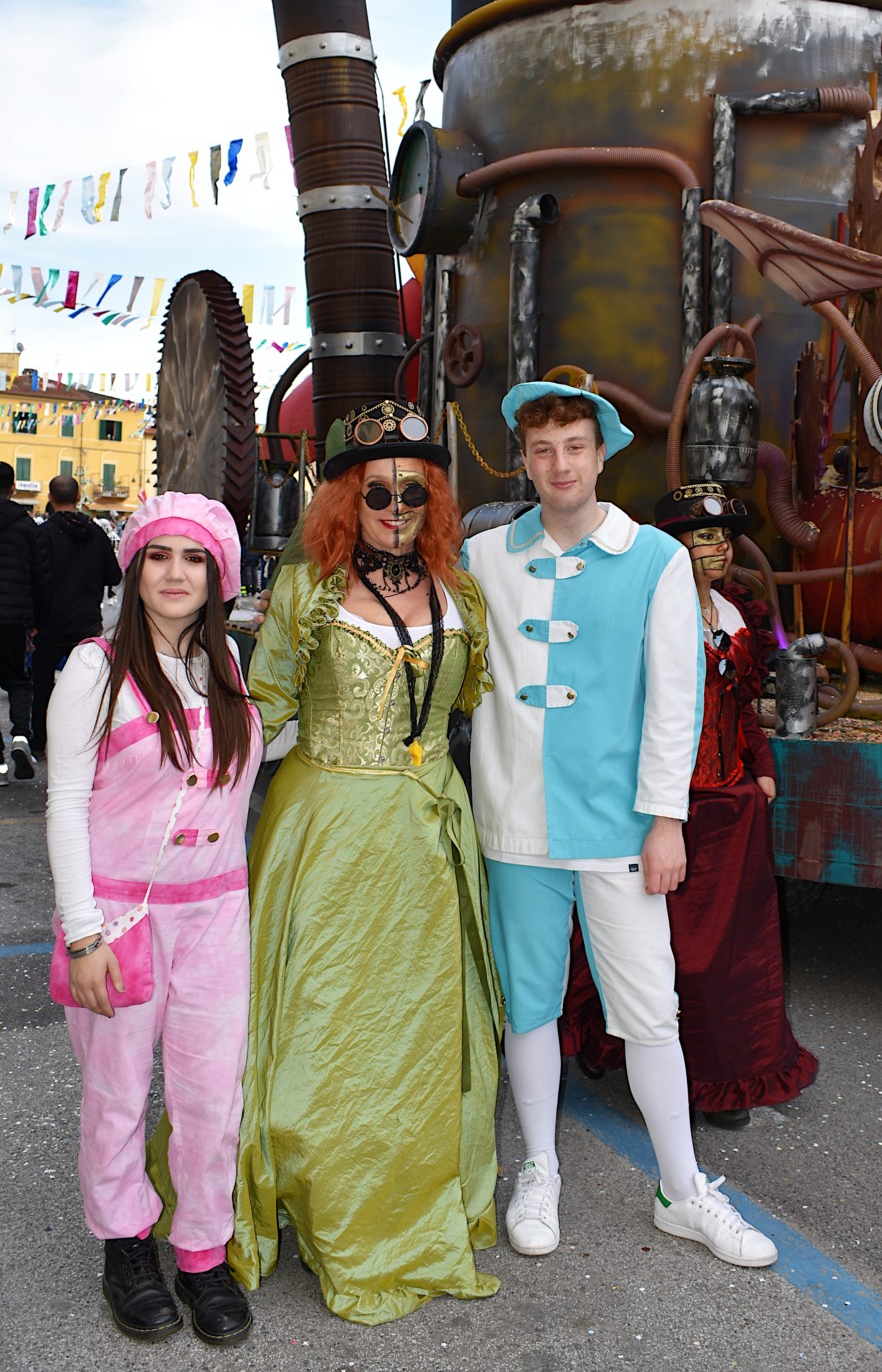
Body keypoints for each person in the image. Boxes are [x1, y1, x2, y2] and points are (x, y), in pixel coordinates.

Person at [461, 383, 778, 1269]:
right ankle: (539, 1168)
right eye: (542, 450)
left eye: (574, 446)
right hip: (514, 822)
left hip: (621, 828)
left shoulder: (655, 559)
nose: (558, 464)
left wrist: (666, 820)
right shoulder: (483, 557)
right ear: (524, 462)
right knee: (529, 1003)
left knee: (648, 1009)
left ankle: (683, 1189)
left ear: (602, 455)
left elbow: (677, 699)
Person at [229, 398, 502, 1324]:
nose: (396, 510)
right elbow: (259, 710)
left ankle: (410, 1204)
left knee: (417, 1030)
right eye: (378, 493)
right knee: (324, 1026)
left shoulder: (462, 596)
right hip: (327, 836)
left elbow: (488, 711)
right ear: (348, 498)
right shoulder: (308, 591)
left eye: (414, 493)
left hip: (427, 839)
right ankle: (321, 1199)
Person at [46, 493, 261, 1346]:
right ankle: (127, 1246)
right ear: (134, 570)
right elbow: (64, 805)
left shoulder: (228, 663)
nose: (176, 574)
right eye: (160, 556)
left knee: (213, 1096)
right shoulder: (93, 670)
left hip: (217, 913)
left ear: (219, 575)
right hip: (119, 921)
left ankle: (203, 1251)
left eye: (195, 558)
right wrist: (84, 934)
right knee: (117, 1095)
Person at [562, 484, 818, 1128]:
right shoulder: (645, 609)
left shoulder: (736, 614)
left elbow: (744, 707)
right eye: (703, 538)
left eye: (724, 538)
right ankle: (626, 1052)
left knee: (730, 956)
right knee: (653, 948)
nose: (718, 550)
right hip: (660, 805)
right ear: (672, 547)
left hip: (729, 807)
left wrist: (761, 770)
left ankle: (719, 1077)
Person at [32, 475, 123, 756]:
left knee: (42, 685)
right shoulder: (96, 533)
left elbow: (36, 579)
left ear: (50, 498)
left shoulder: (43, 534)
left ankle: (39, 743)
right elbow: (114, 575)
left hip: (50, 623)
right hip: (87, 623)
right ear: (78, 496)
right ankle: (85, 744)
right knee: (88, 687)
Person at [0, 459, 50, 783]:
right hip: (14, 619)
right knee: (19, 681)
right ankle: (20, 736)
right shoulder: (27, 527)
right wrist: (37, 621)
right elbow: (41, 578)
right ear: (13, 487)